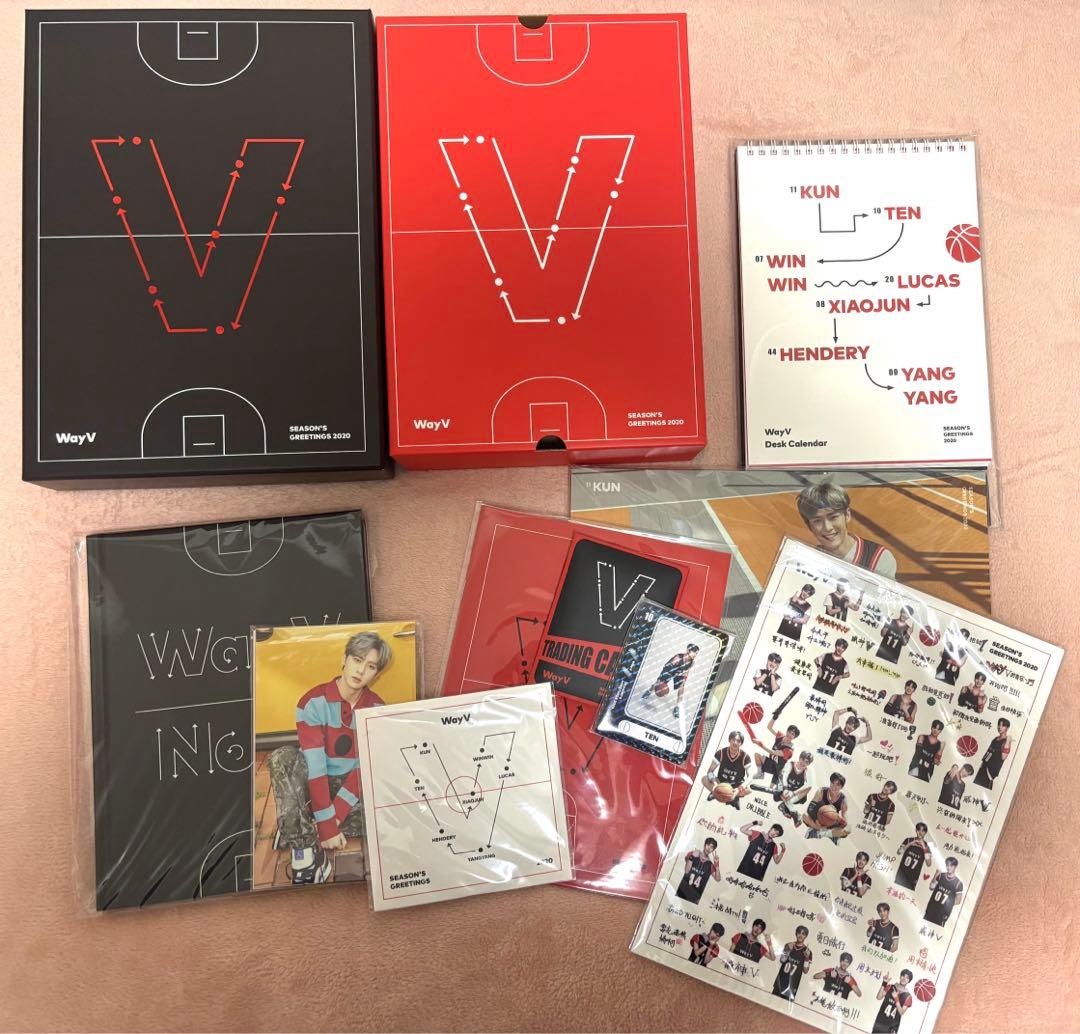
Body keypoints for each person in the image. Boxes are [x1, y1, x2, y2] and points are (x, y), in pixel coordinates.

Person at [267, 630, 392, 885]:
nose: (360, 671)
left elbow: (364, 770)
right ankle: (305, 850)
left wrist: (334, 817)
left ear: (376, 674)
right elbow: (315, 767)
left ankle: (296, 821)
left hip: (350, 788)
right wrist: (326, 824)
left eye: (370, 666)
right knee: (281, 758)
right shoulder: (312, 702)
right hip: (316, 781)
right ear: (344, 660)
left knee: (389, 814)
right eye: (357, 660)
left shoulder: (377, 709)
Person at [796, 480, 897, 577]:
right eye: (817, 521)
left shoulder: (879, 558)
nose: (827, 527)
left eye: (833, 517)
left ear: (847, 515)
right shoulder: (806, 562)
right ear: (809, 525)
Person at [644, 642, 700, 719]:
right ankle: (649, 691)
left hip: (678, 674)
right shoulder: (678, 658)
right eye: (694, 652)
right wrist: (660, 680)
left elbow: (687, 672)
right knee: (658, 684)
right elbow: (666, 667)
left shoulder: (692, 662)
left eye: (696, 653)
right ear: (688, 651)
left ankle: (677, 707)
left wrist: (684, 680)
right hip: (669, 671)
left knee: (681, 688)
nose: (695, 655)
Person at [703, 730, 750, 806]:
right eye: (733, 739)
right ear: (729, 740)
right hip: (721, 782)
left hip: (735, 785)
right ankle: (718, 792)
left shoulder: (745, 757)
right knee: (704, 779)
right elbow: (710, 771)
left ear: (741, 743)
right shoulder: (721, 753)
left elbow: (750, 777)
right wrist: (715, 784)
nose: (735, 742)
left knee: (749, 789)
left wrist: (739, 789)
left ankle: (733, 796)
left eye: (738, 741)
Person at [804, 773, 850, 841]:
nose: (834, 786)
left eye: (837, 785)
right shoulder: (821, 791)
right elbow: (810, 808)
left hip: (830, 821)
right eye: (832, 783)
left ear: (841, 787)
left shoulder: (843, 799)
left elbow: (845, 818)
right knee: (804, 816)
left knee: (847, 830)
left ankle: (819, 833)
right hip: (818, 819)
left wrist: (840, 820)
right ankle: (830, 833)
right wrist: (817, 821)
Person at [772, 749, 814, 825]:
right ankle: (792, 810)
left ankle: (786, 804)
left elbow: (809, 785)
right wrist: (785, 789)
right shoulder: (790, 764)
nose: (803, 763)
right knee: (780, 784)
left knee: (809, 787)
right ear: (799, 758)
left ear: (808, 764)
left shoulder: (807, 771)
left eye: (807, 762)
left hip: (795, 794)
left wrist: (794, 793)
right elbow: (784, 778)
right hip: (785, 789)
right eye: (802, 760)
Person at [754, 719, 800, 784]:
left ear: (794, 737)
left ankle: (779, 784)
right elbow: (769, 727)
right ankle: (760, 774)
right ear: (786, 731)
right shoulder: (780, 736)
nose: (790, 734)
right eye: (789, 732)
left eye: (792, 734)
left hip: (778, 770)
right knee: (757, 755)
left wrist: (760, 744)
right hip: (771, 763)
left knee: (772, 787)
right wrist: (775, 717)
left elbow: (772, 752)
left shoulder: (789, 750)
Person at [773, 926, 813, 1000]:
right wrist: (788, 950)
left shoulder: (808, 951)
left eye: (803, 934)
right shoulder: (788, 945)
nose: (800, 935)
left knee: (785, 1005)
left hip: (792, 984)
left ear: (805, 936)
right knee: (772, 1001)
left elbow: (805, 971)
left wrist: (807, 957)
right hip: (781, 980)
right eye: (799, 933)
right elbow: (782, 960)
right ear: (796, 933)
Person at [676, 837, 721, 904]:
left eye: (711, 847)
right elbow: (686, 870)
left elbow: (718, 879)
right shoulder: (693, 853)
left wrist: (716, 865)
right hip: (681, 891)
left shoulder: (710, 864)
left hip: (695, 898)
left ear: (713, 850)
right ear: (705, 845)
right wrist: (692, 857)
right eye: (708, 845)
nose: (709, 848)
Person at [924, 857, 964, 927]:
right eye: (947, 865)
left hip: (942, 914)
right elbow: (931, 887)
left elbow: (958, 901)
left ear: (955, 867)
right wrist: (935, 875)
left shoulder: (958, 883)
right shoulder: (940, 875)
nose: (949, 867)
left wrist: (946, 904)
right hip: (931, 909)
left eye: (951, 866)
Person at [974, 719, 1012, 790]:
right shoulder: (995, 739)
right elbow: (988, 753)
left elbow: (1003, 757)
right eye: (999, 725)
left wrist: (1008, 740)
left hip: (989, 773)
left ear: (1007, 728)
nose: (1000, 727)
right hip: (983, 768)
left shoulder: (1006, 741)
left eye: (1003, 725)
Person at [895, 824, 931, 890]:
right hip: (901, 874)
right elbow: (899, 852)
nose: (920, 832)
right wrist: (910, 844)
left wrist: (924, 847)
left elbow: (928, 864)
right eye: (918, 830)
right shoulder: (908, 840)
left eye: (923, 831)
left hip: (913, 877)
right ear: (916, 830)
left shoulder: (927, 846)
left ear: (925, 833)